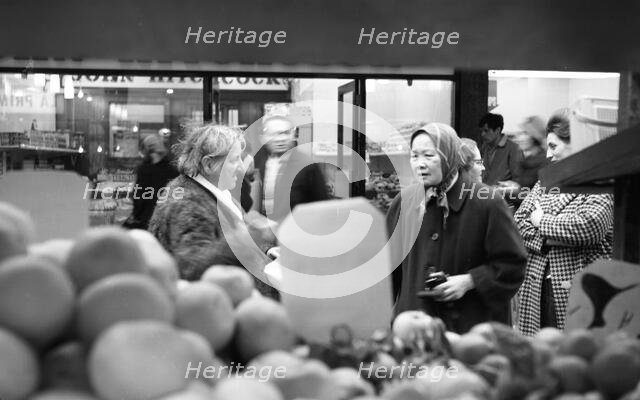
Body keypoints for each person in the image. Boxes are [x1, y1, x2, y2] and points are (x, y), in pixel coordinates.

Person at [387, 123, 527, 333]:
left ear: (449, 155)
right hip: (415, 328)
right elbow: (388, 269)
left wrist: (470, 281)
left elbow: (512, 264)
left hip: (472, 329)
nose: (420, 164)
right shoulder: (404, 202)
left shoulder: (486, 202)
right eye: (414, 156)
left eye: (428, 155)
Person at [514, 109, 614, 336]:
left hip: (579, 288)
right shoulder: (547, 181)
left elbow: (589, 226)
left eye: (554, 146)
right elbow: (519, 222)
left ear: (576, 144)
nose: (549, 155)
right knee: (541, 356)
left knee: (576, 357)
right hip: (538, 285)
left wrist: (541, 220)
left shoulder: (601, 182)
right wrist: (552, 238)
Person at [149, 123, 277, 291]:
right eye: (233, 160)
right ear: (208, 164)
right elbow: (192, 268)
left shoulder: (217, 190)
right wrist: (248, 238)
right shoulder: (186, 202)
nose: (241, 167)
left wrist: (268, 252)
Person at [253, 115, 330, 223]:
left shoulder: (307, 165)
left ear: (293, 135)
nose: (281, 139)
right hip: (264, 231)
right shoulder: (257, 162)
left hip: (295, 231)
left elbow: (321, 204)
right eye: (274, 134)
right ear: (263, 137)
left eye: (286, 133)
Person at [123, 133, 178, 230]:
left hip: (147, 221)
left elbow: (138, 198)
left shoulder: (144, 170)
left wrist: (135, 216)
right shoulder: (173, 170)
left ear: (146, 150)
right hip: (167, 221)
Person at [478, 113, 524, 186]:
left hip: (503, 195)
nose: (482, 134)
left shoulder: (513, 148)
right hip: (484, 193)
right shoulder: (484, 148)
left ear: (498, 130)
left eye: (486, 131)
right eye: (481, 131)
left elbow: (518, 179)